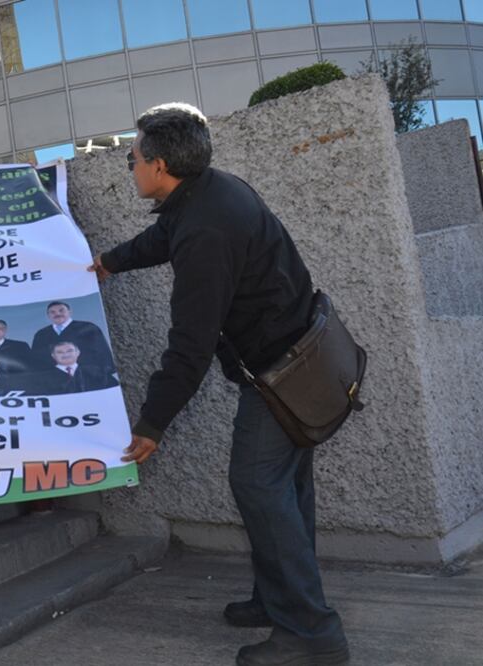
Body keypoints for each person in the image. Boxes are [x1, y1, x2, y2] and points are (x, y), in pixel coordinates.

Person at [90, 102, 349, 666]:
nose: (129, 166)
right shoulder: (206, 193)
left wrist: (153, 422)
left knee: (258, 486)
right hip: (300, 358)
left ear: (159, 166)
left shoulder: (205, 229)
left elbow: (191, 344)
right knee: (286, 489)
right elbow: (163, 238)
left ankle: (310, 634)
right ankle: (280, 599)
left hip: (283, 373)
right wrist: (108, 261)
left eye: (132, 158)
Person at [30, 301, 115, 376]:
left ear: (69, 312)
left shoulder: (88, 328)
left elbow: (102, 352)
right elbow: (37, 360)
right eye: (52, 312)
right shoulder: (41, 334)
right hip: (55, 380)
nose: (57, 314)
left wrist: (103, 373)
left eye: (61, 310)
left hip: (88, 377)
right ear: (48, 316)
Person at [31, 342, 117, 395]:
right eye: (60, 352)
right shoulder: (41, 378)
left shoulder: (99, 373)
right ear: (53, 355)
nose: (65, 354)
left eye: (70, 351)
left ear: (78, 352)